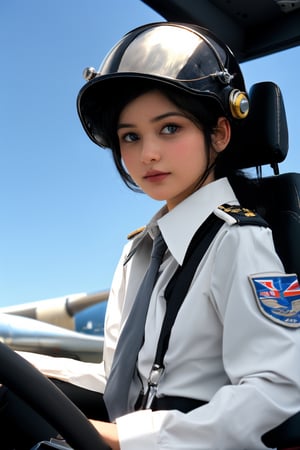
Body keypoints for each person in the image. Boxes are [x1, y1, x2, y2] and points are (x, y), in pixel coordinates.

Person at [0, 21, 299, 450]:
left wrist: (127, 438)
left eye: (170, 128)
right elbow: (120, 381)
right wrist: (18, 366)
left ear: (218, 132)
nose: (147, 154)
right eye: (130, 136)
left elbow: (276, 388)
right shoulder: (138, 251)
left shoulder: (237, 239)